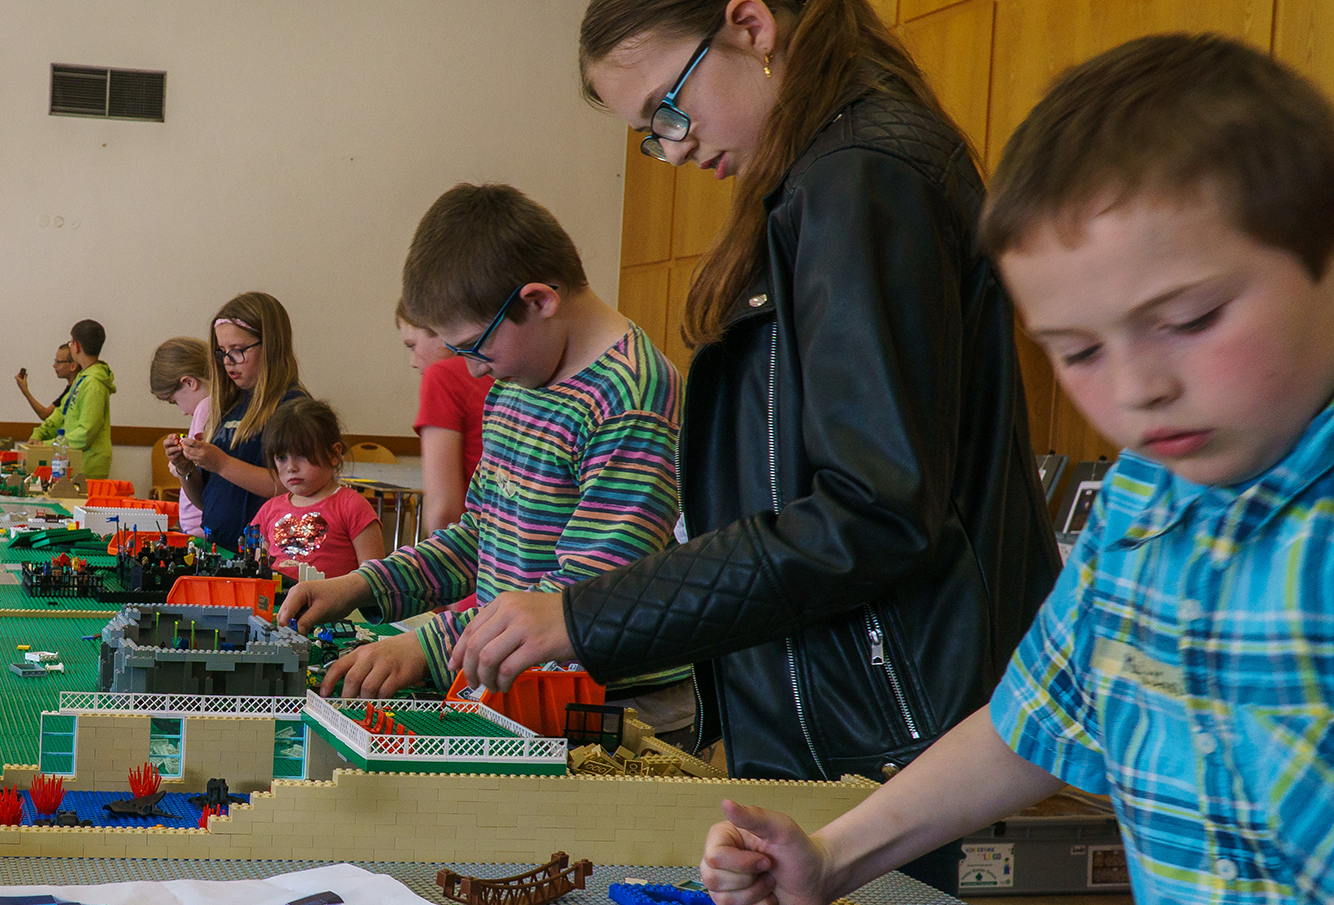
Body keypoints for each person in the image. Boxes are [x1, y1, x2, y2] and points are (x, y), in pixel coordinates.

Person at [704, 36, 1334, 905]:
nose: (1134, 388)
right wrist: (833, 855)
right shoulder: (1142, 499)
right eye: (1078, 351)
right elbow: (1030, 722)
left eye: (1191, 317)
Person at [451, 0, 1057, 817]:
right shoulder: (823, 178)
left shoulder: (860, 176)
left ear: (751, 24)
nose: (675, 148)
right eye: (652, 132)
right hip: (869, 728)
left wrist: (585, 613)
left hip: (900, 737)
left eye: (670, 108)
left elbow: (870, 514)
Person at [282, 185, 692, 739]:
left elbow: (588, 594)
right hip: (514, 677)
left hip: (611, 705)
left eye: (477, 346)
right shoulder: (517, 384)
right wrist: (362, 586)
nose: (473, 372)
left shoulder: (631, 395)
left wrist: (429, 645)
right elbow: (479, 536)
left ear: (539, 300)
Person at [169, 292, 307, 549]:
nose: (229, 362)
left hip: (264, 557)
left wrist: (221, 463)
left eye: (239, 350)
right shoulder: (230, 407)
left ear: (271, 346)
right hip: (219, 548)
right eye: (222, 352)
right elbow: (207, 500)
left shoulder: (294, 409)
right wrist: (186, 469)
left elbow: (293, 488)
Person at [250, 398, 383, 580]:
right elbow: (258, 571)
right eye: (281, 457)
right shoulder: (268, 510)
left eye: (302, 455)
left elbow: (375, 581)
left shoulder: (352, 506)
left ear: (334, 454)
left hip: (336, 608)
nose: (291, 467)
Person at [402, 301, 494, 532]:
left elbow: (444, 511)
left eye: (412, 345)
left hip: (476, 545)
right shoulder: (504, 372)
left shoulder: (442, 376)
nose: (413, 362)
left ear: (442, 332)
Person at [31, 318, 115, 479]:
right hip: (72, 461)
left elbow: (85, 433)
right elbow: (61, 413)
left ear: (76, 346)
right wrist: (38, 436)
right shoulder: (81, 378)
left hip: (88, 466)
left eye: (70, 343)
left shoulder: (94, 384)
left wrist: (47, 445)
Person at [149, 336, 213, 533]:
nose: (184, 412)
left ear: (189, 383)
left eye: (174, 401)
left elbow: (195, 468)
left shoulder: (205, 406)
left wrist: (179, 464)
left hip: (200, 527)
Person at [15, 342, 80, 420]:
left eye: (58, 362)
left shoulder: (75, 389)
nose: (54, 365)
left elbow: (45, 415)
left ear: (73, 366)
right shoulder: (71, 388)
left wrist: (25, 391)